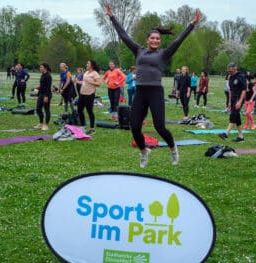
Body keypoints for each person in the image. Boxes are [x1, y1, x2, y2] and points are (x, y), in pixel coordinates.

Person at [106, 3, 201, 167]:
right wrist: (112, 17)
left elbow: (179, 40)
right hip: (141, 91)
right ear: (147, 40)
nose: (155, 40)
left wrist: (191, 24)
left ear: (160, 41)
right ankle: (144, 152)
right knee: (134, 127)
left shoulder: (164, 54)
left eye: (158, 38)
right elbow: (124, 36)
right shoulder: (139, 50)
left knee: (160, 127)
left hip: (155, 91)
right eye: (152, 38)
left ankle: (173, 149)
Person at [219, 63, 246, 142]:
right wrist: (230, 102)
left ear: (235, 68)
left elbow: (244, 90)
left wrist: (240, 102)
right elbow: (231, 91)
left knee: (233, 115)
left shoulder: (241, 77)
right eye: (228, 70)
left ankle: (226, 133)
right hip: (233, 99)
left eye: (230, 70)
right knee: (237, 117)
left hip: (239, 99)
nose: (229, 71)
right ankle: (241, 137)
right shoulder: (230, 77)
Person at [78, 60, 100, 135]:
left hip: (90, 94)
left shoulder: (95, 73)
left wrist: (90, 81)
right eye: (87, 63)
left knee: (89, 111)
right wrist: (78, 82)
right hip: (82, 93)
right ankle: (83, 126)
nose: (86, 64)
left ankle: (92, 129)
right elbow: (84, 82)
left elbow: (98, 84)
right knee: (79, 110)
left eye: (88, 63)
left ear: (92, 65)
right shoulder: (86, 72)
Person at [34, 63, 52, 131]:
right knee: (38, 108)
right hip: (41, 94)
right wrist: (38, 95)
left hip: (46, 95)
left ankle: (46, 125)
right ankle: (41, 123)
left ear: (45, 68)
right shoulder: (42, 75)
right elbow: (41, 86)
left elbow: (48, 87)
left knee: (46, 109)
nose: (40, 68)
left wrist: (46, 96)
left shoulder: (48, 76)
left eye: (41, 67)